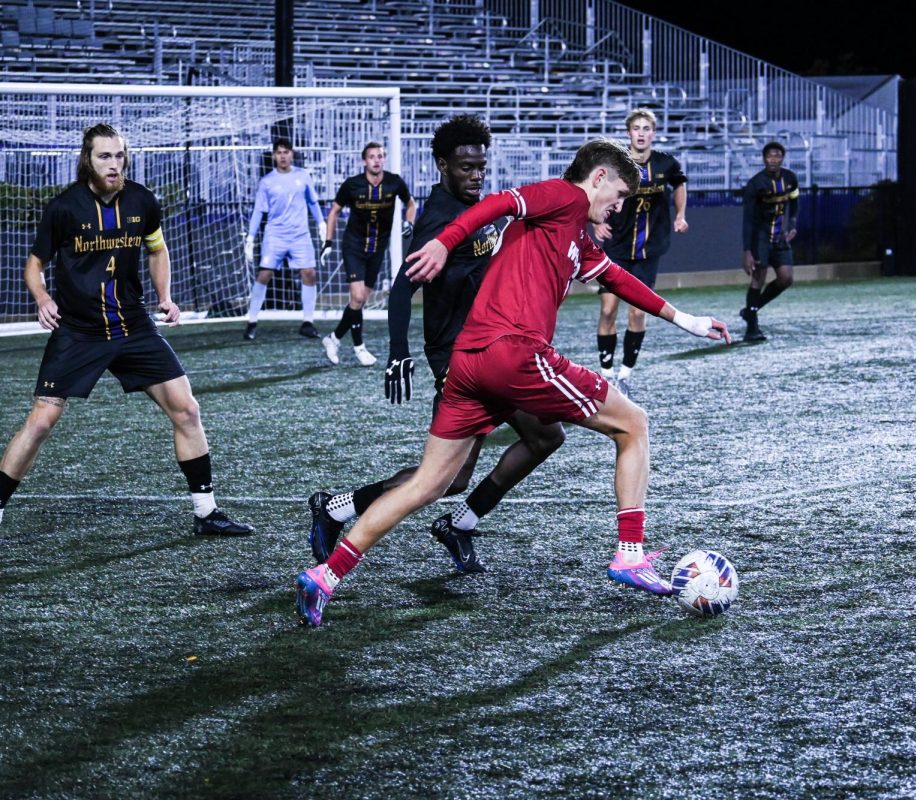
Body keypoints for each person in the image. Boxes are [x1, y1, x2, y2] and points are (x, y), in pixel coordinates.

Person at [295, 139, 731, 627]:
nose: (620, 206)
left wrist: (688, 320)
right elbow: (499, 202)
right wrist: (442, 241)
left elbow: (619, 280)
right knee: (633, 424)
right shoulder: (564, 197)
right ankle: (630, 553)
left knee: (430, 483)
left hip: (469, 363)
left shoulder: (574, 239)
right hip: (516, 354)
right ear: (600, 178)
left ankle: (325, 576)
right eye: (621, 194)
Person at [307, 114, 564, 573]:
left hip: (493, 348)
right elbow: (405, 285)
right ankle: (340, 509)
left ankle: (444, 523)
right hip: (461, 358)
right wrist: (398, 349)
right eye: (466, 167)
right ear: (442, 166)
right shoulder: (439, 219)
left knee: (481, 465)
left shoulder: (476, 206)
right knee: (451, 474)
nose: (476, 175)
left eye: (481, 166)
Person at [0, 124, 253, 536]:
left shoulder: (142, 200)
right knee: (43, 420)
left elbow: (158, 249)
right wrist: (43, 299)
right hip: (79, 330)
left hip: (132, 324)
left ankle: (206, 512)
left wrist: (165, 296)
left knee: (187, 409)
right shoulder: (64, 208)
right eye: (105, 156)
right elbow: (34, 265)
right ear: (88, 159)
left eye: (119, 155)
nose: (114, 164)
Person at [592, 108, 688, 397]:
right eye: (637, 128)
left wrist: (681, 214)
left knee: (637, 313)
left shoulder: (666, 163)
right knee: (608, 310)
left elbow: (680, 183)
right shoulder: (615, 163)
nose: (642, 133)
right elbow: (592, 190)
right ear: (629, 133)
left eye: (647, 128)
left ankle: (625, 375)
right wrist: (595, 221)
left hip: (649, 250)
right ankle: (606, 374)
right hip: (617, 247)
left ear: (653, 133)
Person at [320, 141, 416, 366]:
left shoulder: (394, 182)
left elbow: (410, 203)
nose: (377, 160)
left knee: (360, 301)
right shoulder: (352, 185)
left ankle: (333, 338)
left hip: (377, 250)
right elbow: (334, 211)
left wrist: (409, 222)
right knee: (358, 297)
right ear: (364, 161)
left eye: (380, 156)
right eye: (372, 156)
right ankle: (359, 348)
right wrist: (328, 241)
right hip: (353, 247)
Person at [243, 137, 326, 340]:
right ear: (274, 156)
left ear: (292, 154)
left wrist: (322, 223)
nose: (283, 156)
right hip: (275, 235)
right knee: (264, 275)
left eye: (286, 152)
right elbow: (258, 211)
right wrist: (251, 238)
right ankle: (251, 321)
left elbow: (313, 203)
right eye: (279, 152)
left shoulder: (303, 176)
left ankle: (308, 322)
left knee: (309, 273)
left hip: (300, 235)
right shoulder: (267, 182)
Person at [741, 142, 799, 342]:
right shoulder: (756, 184)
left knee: (786, 278)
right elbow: (748, 219)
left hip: (780, 238)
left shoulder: (790, 178)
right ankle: (752, 328)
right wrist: (747, 250)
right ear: (764, 159)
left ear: (782, 158)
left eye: (777, 155)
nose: (773, 159)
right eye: (769, 156)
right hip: (761, 238)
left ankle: (751, 310)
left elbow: (795, 201)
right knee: (758, 279)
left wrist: (792, 224)